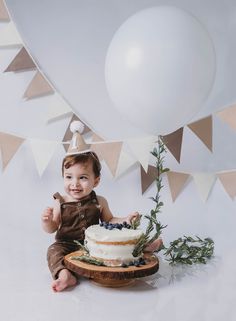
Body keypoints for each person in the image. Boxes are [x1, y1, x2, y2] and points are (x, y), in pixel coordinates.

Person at [42, 121, 162, 292]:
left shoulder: (99, 201)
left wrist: (126, 219)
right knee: (53, 252)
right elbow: (52, 228)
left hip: (94, 245)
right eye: (69, 177)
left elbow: (110, 221)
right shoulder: (59, 201)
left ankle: (144, 248)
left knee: (117, 245)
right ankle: (64, 275)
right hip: (66, 244)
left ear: (96, 181)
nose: (74, 183)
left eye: (82, 177)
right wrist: (46, 221)